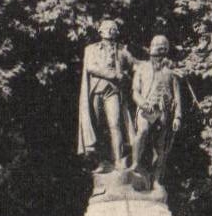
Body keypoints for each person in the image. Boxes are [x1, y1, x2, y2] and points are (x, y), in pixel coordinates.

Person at [77, 19, 135, 168]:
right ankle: (100, 162)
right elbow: (90, 67)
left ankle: (118, 160)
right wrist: (113, 74)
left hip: (113, 91)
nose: (110, 31)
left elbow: (135, 64)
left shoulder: (122, 50)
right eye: (107, 28)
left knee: (115, 124)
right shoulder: (91, 49)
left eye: (113, 28)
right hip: (96, 90)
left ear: (117, 32)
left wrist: (155, 63)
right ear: (100, 31)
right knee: (96, 126)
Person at [130, 35, 183, 187]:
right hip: (146, 109)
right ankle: (135, 164)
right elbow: (135, 92)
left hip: (164, 112)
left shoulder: (171, 73)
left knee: (160, 147)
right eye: (157, 51)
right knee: (143, 131)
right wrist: (143, 104)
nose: (159, 56)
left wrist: (177, 117)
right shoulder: (142, 69)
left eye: (162, 51)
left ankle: (157, 179)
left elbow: (177, 97)